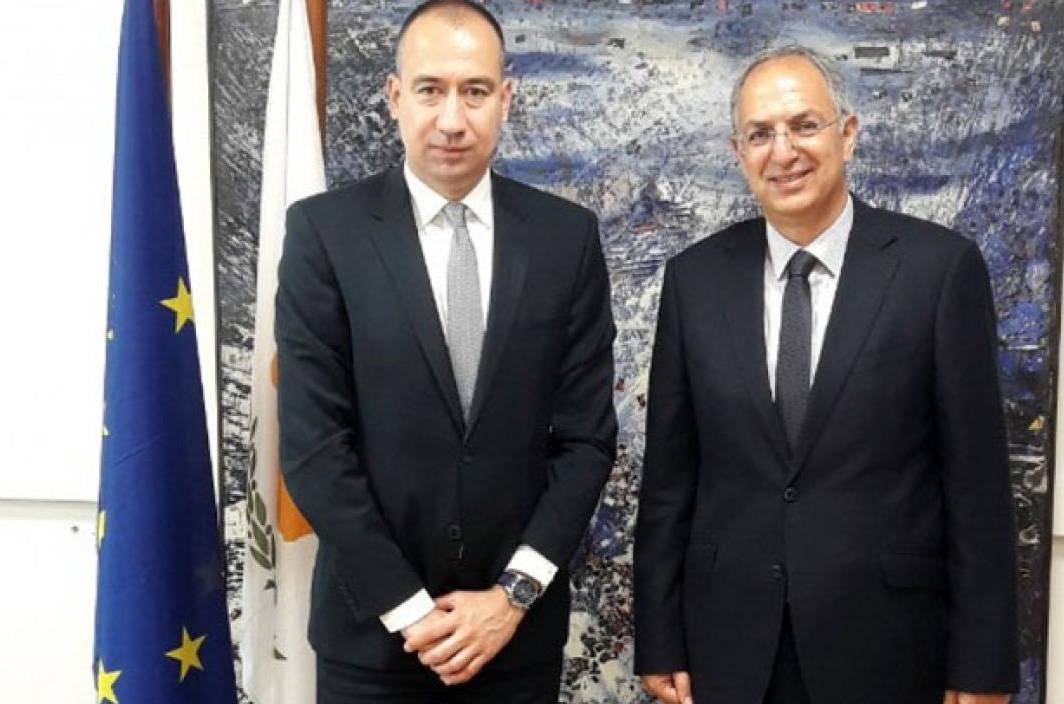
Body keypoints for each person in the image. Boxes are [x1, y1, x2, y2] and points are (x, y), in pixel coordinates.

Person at [633, 45, 1019, 704]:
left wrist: (982, 667)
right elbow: (669, 481)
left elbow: (977, 488)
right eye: (760, 134)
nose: (783, 152)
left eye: (804, 125)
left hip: (888, 647)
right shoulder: (694, 281)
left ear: (848, 133)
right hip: (729, 647)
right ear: (738, 153)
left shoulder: (938, 271)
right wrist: (658, 639)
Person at [275, 1, 616, 701]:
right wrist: (411, 613)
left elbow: (586, 441)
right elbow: (314, 447)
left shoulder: (566, 240)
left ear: (505, 99)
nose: (453, 119)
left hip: (514, 644)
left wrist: (512, 597)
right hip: (372, 647)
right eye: (430, 90)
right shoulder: (324, 235)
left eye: (475, 91)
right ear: (395, 97)